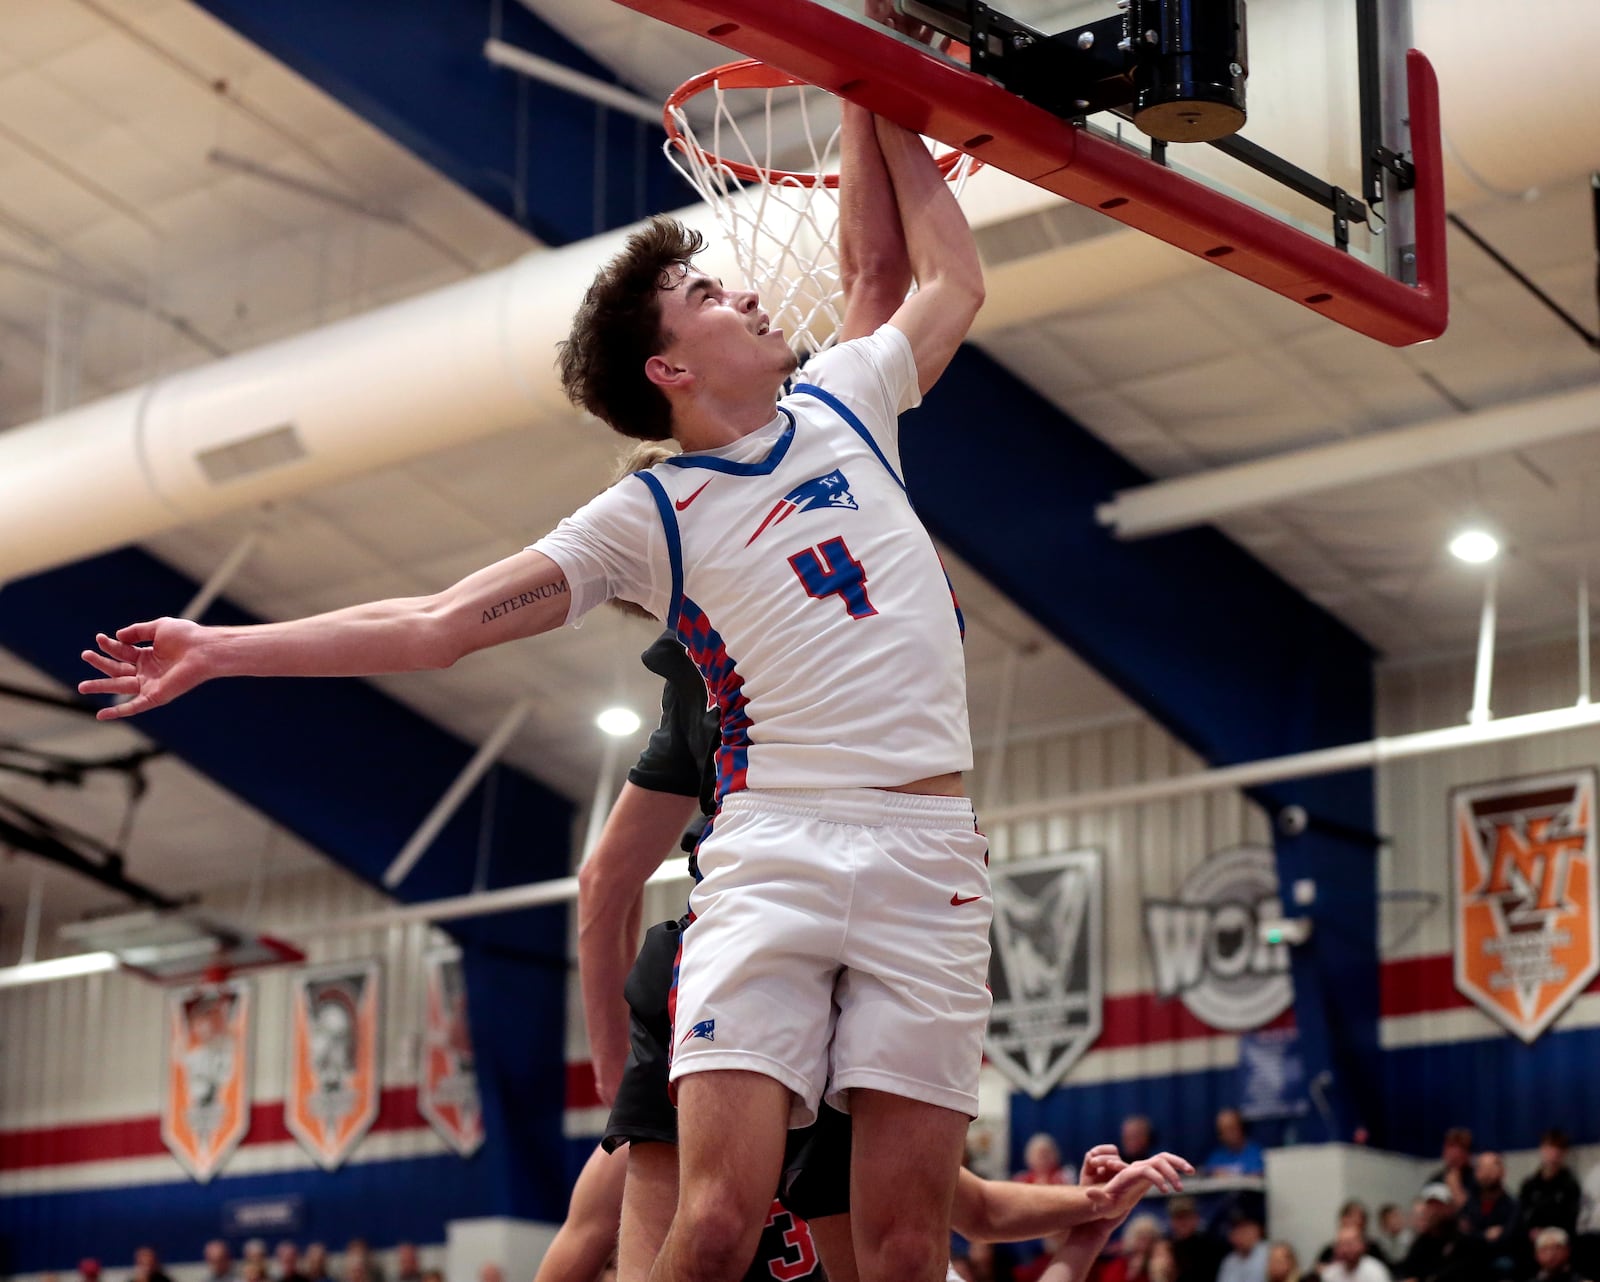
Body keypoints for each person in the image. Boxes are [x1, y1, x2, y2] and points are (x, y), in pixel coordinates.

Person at [83, 31, 987, 1280]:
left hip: (928, 851)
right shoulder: (650, 515)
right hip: (776, 847)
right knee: (715, 1221)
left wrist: (877, 89)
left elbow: (932, 275)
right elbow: (436, 624)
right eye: (713, 298)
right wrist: (224, 646)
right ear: (671, 369)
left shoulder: (848, 401)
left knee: (899, 1243)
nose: (749, 293)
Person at [1516, 1131, 1583, 1263]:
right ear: (1542, 1150)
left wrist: (1549, 1234)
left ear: (1563, 1153)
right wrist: (1530, 1231)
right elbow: (1521, 1213)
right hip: (1533, 1239)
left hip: (1559, 1237)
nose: (1552, 1154)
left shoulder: (1570, 1185)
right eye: (1549, 1149)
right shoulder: (1529, 1184)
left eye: (1557, 1150)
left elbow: (1571, 1218)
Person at [1396, 1184, 1481, 1282]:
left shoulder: (1462, 1241)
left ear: (1450, 1208)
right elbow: (1407, 1269)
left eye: (1438, 1206)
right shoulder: (1422, 1242)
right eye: (1430, 1206)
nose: (1433, 1211)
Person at [1168, 1196, 1227, 1282]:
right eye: (1179, 1217)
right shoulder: (1166, 1248)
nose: (1183, 1222)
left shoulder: (1212, 1247)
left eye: (1187, 1217)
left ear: (1196, 1218)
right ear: (1171, 1221)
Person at [1205, 1110, 1266, 1179]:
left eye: (1231, 1129)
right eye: (1223, 1131)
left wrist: (1231, 1174)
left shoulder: (1257, 1153)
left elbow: (1261, 1174)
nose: (1229, 1134)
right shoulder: (1216, 1157)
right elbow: (1207, 1174)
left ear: (1241, 1127)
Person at [1320, 1226, 1390, 1282]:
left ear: (1362, 1245)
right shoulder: (1330, 1272)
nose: (1346, 1249)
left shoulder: (1376, 1271)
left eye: (1350, 1244)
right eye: (1341, 1244)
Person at [1218, 1213, 1269, 1282]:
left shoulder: (1269, 1253)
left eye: (1246, 1231)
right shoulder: (1229, 1260)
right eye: (1238, 1231)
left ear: (1257, 1231)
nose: (1242, 1236)